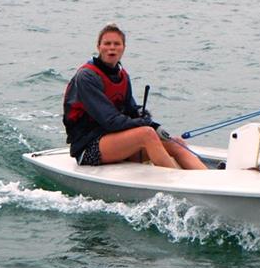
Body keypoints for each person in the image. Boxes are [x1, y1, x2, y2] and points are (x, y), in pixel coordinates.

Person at [63, 23, 207, 170]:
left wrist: (143, 116)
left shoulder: (122, 75)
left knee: (177, 143)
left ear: (123, 48)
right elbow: (111, 121)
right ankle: (176, 184)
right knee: (147, 134)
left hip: (118, 142)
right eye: (107, 43)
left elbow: (131, 110)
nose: (112, 47)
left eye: (116, 44)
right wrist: (146, 124)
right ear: (98, 47)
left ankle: (209, 181)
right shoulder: (86, 77)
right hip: (88, 148)